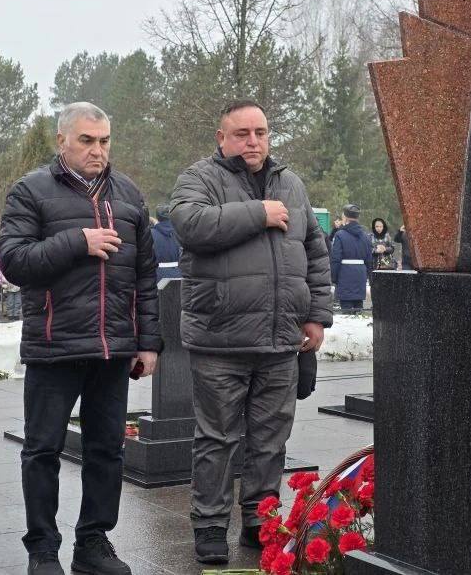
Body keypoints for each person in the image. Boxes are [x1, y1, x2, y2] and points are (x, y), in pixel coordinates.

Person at [0, 101, 163, 575]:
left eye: (104, 140)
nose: (97, 150)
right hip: (56, 345)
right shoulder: (31, 191)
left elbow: (145, 276)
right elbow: (14, 261)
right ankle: (42, 549)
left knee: (107, 449)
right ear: (62, 141)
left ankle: (92, 543)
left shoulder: (129, 194)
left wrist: (148, 342)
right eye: (87, 140)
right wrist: (79, 241)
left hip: (114, 348)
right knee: (43, 449)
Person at [169, 99, 332, 565]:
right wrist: (258, 212)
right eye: (242, 133)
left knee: (270, 439)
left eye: (260, 132)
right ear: (221, 138)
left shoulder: (291, 183)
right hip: (221, 339)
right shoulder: (198, 178)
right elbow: (191, 225)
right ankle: (210, 524)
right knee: (217, 439)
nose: (253, 141)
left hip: (281, 339)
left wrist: (316, 316)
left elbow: (315, 255)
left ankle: (261, 520)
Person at [330, 204, 372, 312]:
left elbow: (336, 259)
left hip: (345, 275)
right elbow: (369, 260)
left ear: (345, 216)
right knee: (359, 309)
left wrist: (333, 277)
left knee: (346, 312)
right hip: (360, 275)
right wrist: (368, 275)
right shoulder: (365, 236)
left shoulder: (340, 235)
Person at [150, 203, 182, 279]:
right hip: (179, 274)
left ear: (158, 216)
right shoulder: (181, 232)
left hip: (158, 275)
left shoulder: (150, 233)